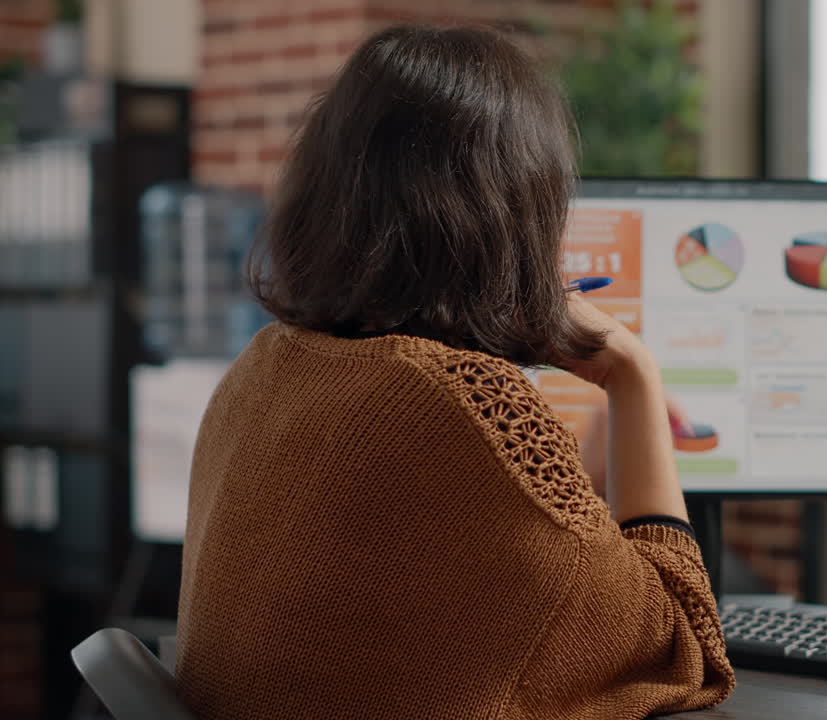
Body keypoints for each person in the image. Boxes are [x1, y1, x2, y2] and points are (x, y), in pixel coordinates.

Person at [174, 23, 734, 720]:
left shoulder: (264, 368)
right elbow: (682, 644)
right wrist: (632, 374)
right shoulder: (470, 407)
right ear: (517, 209)